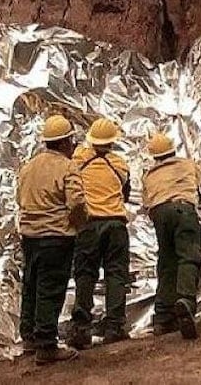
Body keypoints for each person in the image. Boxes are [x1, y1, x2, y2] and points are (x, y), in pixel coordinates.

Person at [16, 114, 85, 364]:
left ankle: (29, 338)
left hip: (30, 236)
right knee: (50, 289)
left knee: (31, 286)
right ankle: (46, 344)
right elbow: (76, 202)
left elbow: (19, 198)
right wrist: (76, 224)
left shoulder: (28, 167)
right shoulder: (67, 167)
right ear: (66, 142)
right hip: (56, 236)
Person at [68, 118, 132, 348]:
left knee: (85, 275)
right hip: (115, 224)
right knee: (116, 274)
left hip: (89, 224)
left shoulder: (78, 160)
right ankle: (115, 327)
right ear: (113, 141)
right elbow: (125, 193)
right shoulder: (120, 164)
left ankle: (81, 329)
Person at [141, 131, 201, 340]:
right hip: (183, 209)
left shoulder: (149, 175)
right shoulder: (187, 164)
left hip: (159, 214)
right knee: (188, 256)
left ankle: (162, 318)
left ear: (154, 155)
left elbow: (146, 204)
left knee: (166, 262)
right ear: (173, 149)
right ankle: (186, 301)